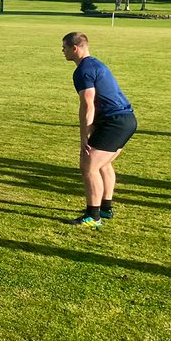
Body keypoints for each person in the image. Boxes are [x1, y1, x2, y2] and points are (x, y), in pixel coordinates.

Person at [62, 32, 136, 227]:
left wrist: (84, 135)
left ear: (74, 48)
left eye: (64, 47)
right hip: (125, 120)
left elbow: (88, 104)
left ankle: (93, 216)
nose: (63, 51)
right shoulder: (94, 64)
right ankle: (105, 208)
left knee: (88, 165)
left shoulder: (83, 71)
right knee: (102, 164)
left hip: (115, 122)